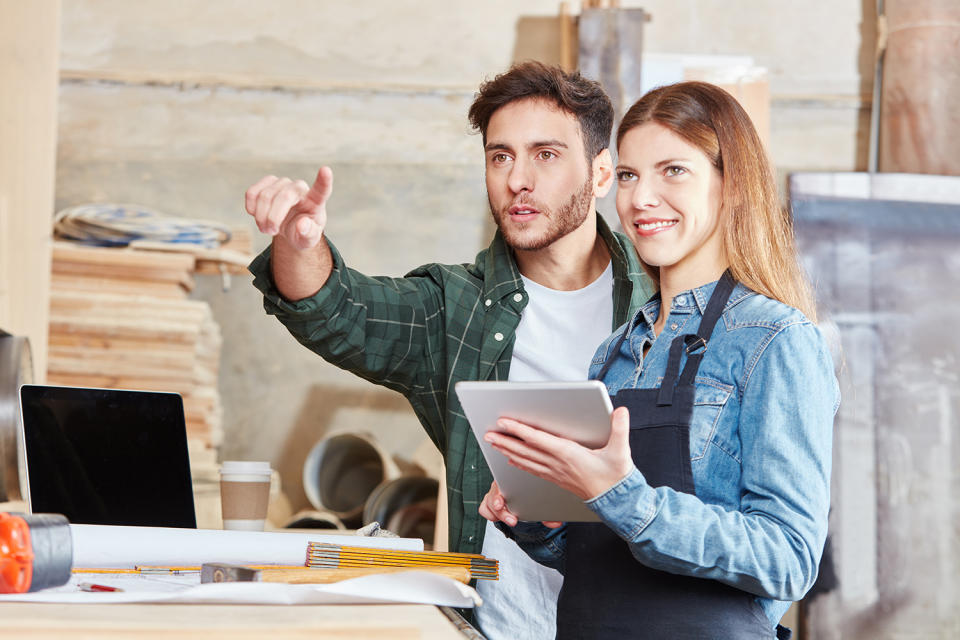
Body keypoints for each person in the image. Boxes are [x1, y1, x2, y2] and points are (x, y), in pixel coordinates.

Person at [244, 62, 654, 639]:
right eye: (500, 156)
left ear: (603, 172)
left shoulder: (663, 301)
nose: (518, 180)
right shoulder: (455, 307)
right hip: (495, 627)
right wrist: (296, 240)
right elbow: (338, 309)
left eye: (546, 154)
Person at [479, 81, 839, 640]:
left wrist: (623, 496)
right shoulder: (616, 350)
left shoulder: (776, 340)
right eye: (628, 175)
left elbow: (788, 559)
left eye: (673, 171)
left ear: (731, 184)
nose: (640, 198)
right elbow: (600, 560)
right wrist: (539, 522)